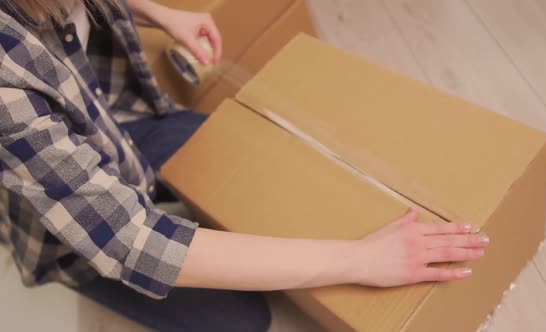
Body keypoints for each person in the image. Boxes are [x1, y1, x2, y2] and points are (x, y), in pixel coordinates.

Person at [0, 0, 490, 331]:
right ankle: (73, 270)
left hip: (120, 122)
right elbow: (135, 242)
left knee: (243, 155)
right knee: (241, 319)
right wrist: (358, 260)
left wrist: (160, 13)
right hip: (72, 235)